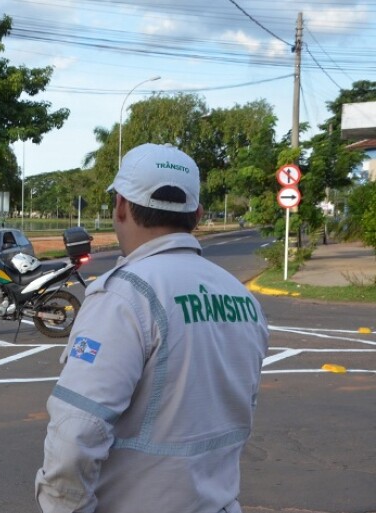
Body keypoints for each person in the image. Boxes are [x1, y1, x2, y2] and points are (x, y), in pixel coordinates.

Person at [35, 143, 269, 513]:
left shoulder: (125, 296)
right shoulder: (242, 299)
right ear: (198, 214)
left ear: (121, 206)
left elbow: (76, 432)